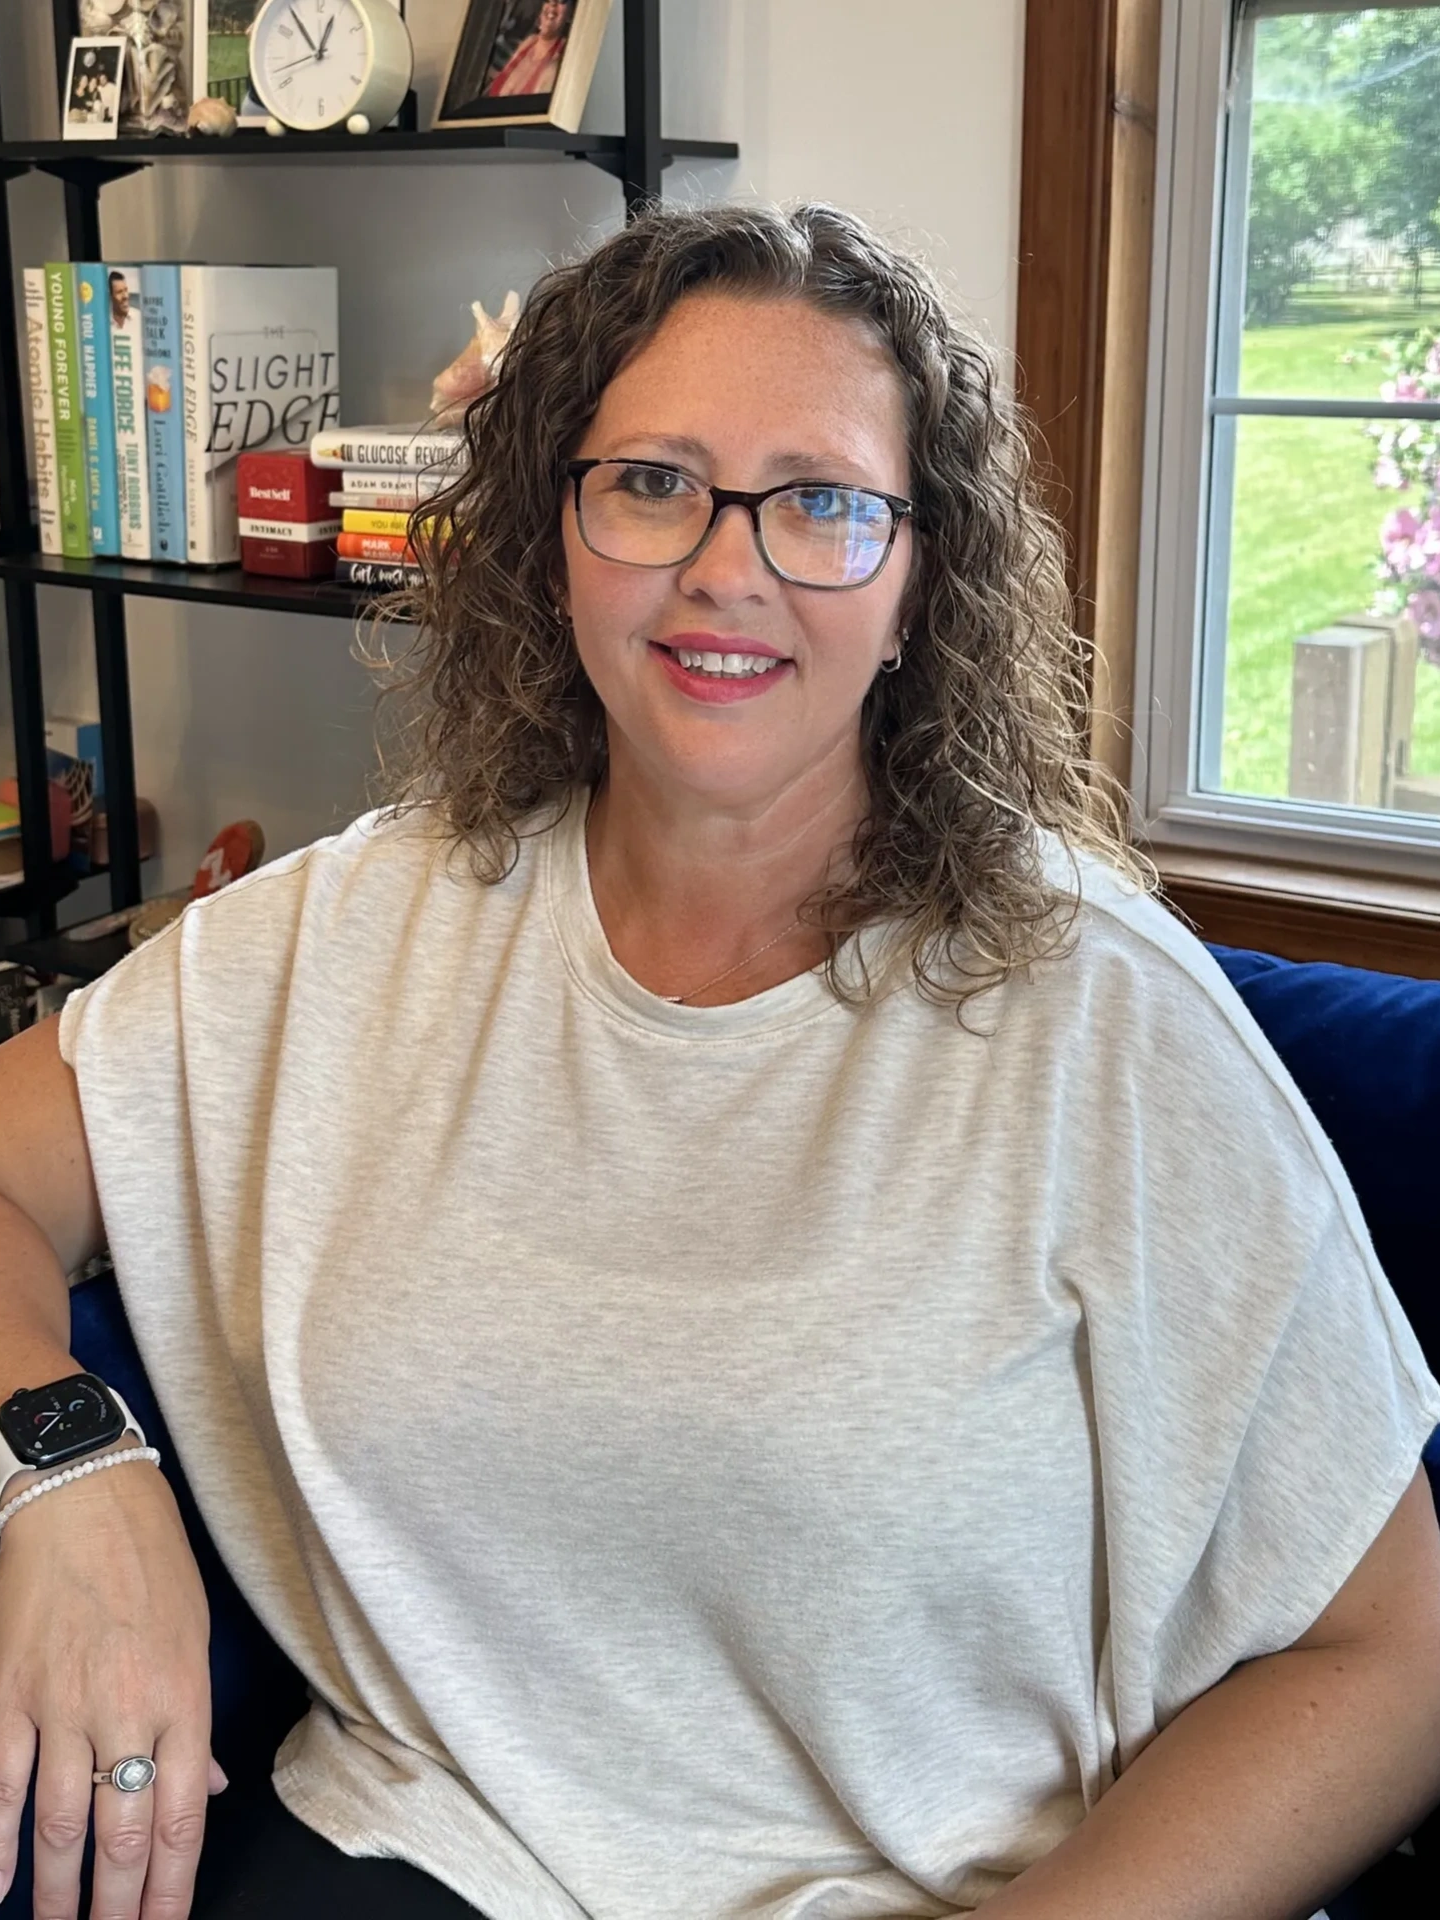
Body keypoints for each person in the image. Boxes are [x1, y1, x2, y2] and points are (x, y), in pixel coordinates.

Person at [1, 199, 1439, 1920]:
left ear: (920, 581)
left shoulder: (1103, 1021)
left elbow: (1393, 1661)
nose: (727, 565)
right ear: (554, 537)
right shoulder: (365, 920)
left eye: (823, 500)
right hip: (411, 1856)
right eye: (654, 481)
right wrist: (66, 1468)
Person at [485, 0, 573, 98]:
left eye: (562, 1)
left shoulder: (559, 61)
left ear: (570, 13)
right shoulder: (530, 42)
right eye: (547, 0)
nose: (552, 3)